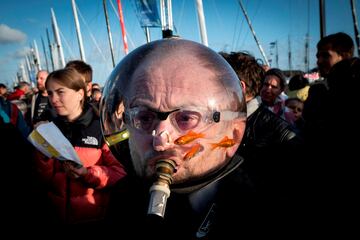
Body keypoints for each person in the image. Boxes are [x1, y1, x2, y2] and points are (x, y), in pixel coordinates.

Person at [101, 38, 303, 238]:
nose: (161, 142)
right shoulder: (124, 198)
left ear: (233, 132)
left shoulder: (262, 204)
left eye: (187, 118)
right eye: (144, 117)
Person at [33, 67, 126, 225]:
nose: (53, 99)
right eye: (50, 93)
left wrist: (87, 174)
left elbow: (120, 173)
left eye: (60, 92)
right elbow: (44, 179)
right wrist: (42, 150)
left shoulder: (101, 128)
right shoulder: (49, 128)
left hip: (96, 217)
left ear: (80, 93)